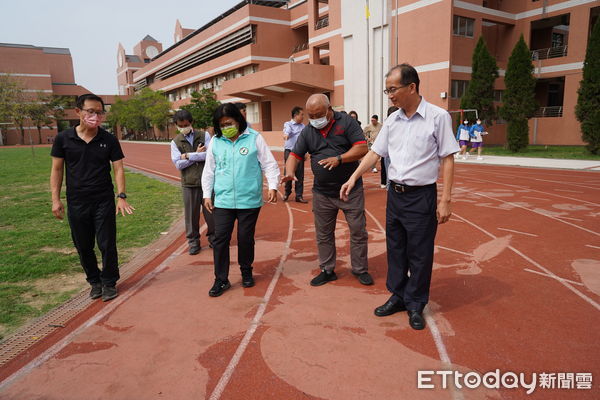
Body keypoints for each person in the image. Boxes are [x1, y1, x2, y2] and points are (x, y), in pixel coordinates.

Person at [340, 64, 459, 330]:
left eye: (393, 89)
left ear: (412, 87)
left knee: (419, 253)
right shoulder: (392, 120)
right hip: (395, 195)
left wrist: (446, 199)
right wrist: (354, 177)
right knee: (396, 249)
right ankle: (398, 295)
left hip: (421, 196)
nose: (390, 95)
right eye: (387, 90)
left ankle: (416, 302)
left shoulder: (438, 117)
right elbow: (375, 153)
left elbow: (448, 158)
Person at [281, 94, 373, 287]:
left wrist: (339, 159)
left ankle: (360, 269)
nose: (315, 119)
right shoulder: (308, 131)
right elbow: (295, 154)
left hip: (349, 190)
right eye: (311, 116)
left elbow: (362, 148)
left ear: (329, 109)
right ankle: (327, 270)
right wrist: (289, 171)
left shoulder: (347, 122)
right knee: (323, 234)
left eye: (319, 115)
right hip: (322, 193)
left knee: (358, 231)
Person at [50, 93, 135, 302]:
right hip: (77, 201)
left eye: (99, 112)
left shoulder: (108, 139)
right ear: (78, 112)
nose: (95, 116)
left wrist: (121, 195)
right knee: (83, 245)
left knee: (107, 243)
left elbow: (118, 169)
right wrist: (55, 199)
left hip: (103, 200)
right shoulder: (63, 139)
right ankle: (94, 281)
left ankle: (109, 282)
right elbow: (57, 170)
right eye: (90, 111)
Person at [202, 103, 280, 297]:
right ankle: (221, 279)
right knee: (220, 239)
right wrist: (206, 194)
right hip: (223, 200)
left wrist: (273, 186)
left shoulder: (254, 138)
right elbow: (209, 170)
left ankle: (246, 272)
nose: (225, 127)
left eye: (229, 123)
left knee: (245, 239)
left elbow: (269, 164)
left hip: (249, 200)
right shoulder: (216, 142)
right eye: (221, 125)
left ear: (238, 120)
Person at [170, 109, 215, 255]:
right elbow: (178, 165)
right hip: (189, 184)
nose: (184, 127)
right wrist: (197, 154)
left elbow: (209, 156)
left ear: (191, 122)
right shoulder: (175, 142)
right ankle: (193, 242)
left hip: (207, 181)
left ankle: (214, 239)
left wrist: (188, 155)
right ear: (176, 125)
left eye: (186, 124)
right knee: (191, 216)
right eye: (180, 125)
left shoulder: (204, 135)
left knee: (211, 213)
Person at [282, 106, 308, 203]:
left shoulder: (303, 126)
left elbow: (305, 140)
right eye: (301, 115)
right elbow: (287, 132)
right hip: (290, 151)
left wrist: (305, 152)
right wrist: (286, 135)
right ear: (295, 115)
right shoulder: (288, 124)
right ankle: (287, 193)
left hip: (300, 152)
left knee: (300, 175)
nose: (303, 117)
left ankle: (299, 196)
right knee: (289, 173)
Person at [380, 106, 399, 188]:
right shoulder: (387, 124)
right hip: (388, 152)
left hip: (399, 152)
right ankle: (389, 187)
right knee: (389, 173)